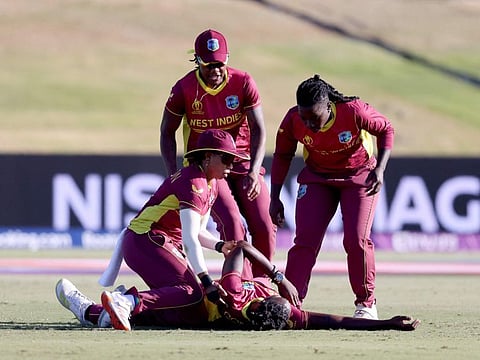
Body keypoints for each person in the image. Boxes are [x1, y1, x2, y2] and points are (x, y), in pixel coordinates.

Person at [58, 129, 247, 331]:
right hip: (145, 240)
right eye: (227, 158)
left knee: (190, 312)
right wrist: (206, 280)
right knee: (192, 292)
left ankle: (93, 312)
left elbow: (198, 232)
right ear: (208, 157)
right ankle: (127, 301)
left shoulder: (212, 185)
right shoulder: (194, 183)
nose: (231, 165)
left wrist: (220, 246)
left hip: (156, 243)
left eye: (233, 160)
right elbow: (190, 240)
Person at [56, 239, 420, 331]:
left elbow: (241, 246)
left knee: (114, 317)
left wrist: (278, 276)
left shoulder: (240, 291)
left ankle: (97, 306)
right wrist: (383, 323)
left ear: (263, 301)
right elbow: (335, 321)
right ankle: (119, 303)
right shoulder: (283, 316)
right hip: (189, 317)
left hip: (182, 309)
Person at [269, 74, 395, 319]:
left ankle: (366, 304)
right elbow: (282, 155)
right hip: (317, 178)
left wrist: (380, 169)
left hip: (359, 177)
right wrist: (275, 197)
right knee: (305, 241)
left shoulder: (354, 111)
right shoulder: (293, 119)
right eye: (304, 119)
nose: (309, 125)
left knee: (356, 240)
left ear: (328, 106)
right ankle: (291, 305)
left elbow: (387, 129)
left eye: (314, 119)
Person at [160, 29, 275, 277]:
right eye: (208, 65)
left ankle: (262, 284)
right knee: (233, 224)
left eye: (220, 64)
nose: (215, 71)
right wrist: (174, 176)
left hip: (242, 161)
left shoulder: (243, 81)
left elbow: (259, 129)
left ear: (227, 59)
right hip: (206, 167)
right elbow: (167, 132)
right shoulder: (184, 88)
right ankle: (240, 285)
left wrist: (254, 171)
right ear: (198, 61)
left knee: (264, 225)